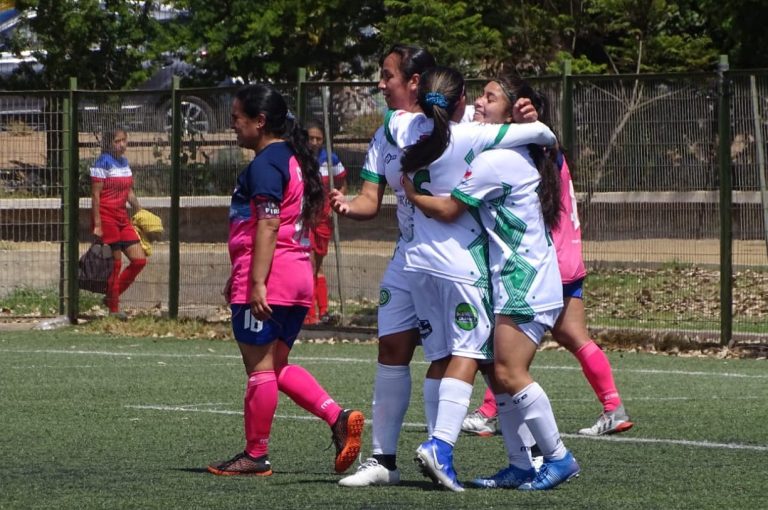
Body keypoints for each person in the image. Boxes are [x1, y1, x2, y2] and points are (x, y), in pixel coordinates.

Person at [402, 72, 581, 491]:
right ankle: (520, 463)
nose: (479, 103)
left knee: (510, 370)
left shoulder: (495, 161)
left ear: (509, 113)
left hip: (526, 281)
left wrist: (410, 193)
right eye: (478, 96)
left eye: (490, 98)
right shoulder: (509, 150)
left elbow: (447, 210)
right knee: (496, 372)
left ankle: (558, 457)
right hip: (516, 278)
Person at [462, 79, 634, 439]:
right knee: (573, 335)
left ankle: (493, 414)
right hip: (568, 258)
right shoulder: (541, 151)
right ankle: (613, 407)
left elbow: (548, 146)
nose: (481, 101)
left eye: (490, 97)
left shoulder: (532, 152)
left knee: (507, 340)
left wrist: (533, 123)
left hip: (543, 264)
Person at [206, 84, 364, 477]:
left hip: (270, 278)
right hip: (297, 277)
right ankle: (337, 417)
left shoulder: (263, 164)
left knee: (259, 369)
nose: (233, 127)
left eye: (237, 119)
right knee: (277, 365)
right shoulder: (293, 158)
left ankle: (255, 455)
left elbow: (269, 223)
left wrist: (255, 281)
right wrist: (240, 274)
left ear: (260, 122)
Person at [332, 44, 436, 488]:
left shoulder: (446, 128)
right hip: (405, 258)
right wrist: (345, 205)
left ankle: (444, 452)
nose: (380, 84)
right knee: (391, 350)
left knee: (455, 359)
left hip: (449, 261)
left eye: (387, 76)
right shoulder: (383, 135)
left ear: (414, 82)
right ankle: (383, 461)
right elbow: (370, 201)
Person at [90, 127, 146, 319]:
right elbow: (96, 195)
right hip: (107, 217)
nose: (122, 144)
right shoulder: (102, 162)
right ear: (109, 143)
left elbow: (128, 191)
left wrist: (139, 210)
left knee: (139, 260)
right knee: (115, 264)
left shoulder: (124, 162)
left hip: (122, 217)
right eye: (117, 141)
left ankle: (111, 297)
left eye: (124, 140)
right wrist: (97, 225)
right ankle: (114, 309)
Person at [304, 119, 347, 326]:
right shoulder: (300, 158)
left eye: (318, 139)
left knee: (317, 265)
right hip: (306, 216)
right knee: (309, 263)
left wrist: (335, 204)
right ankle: (310, 314)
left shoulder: (330, 159)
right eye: (310, 138)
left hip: (323, 216)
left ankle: (323, 311)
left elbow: (342, 183)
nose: (314, 142)